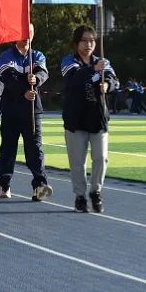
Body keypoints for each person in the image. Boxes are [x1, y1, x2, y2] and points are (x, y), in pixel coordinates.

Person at [61, 25, 118, 213]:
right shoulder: (69, 62)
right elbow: (74, 80)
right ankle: (80, 195)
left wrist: (107, 85)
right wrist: (93, 69)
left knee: (101, 158)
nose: (88, 44)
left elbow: (114, 80)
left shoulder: (103, 62)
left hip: (98, 118)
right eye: (84, 41)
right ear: (76, 43)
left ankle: (96, 192)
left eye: (92, 41)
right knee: (77, 162)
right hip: (76, 119)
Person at [0, 24, 53, 202]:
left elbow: (43, 73)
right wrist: (24, 90)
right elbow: (9, 78)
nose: (26, 36)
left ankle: (40, 185)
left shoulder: (37, 56)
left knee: (35, 149)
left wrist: (35, 81)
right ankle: (4, 183)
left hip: (32, 110)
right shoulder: (6, 56)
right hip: (11, 110)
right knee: (8, 148)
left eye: (29, 32)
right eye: (22, 32)